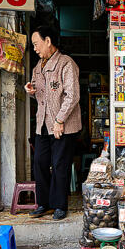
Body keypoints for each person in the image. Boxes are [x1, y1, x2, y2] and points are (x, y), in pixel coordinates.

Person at [24, 25, 82, 220]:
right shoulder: (37, 67)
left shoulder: (66, 64)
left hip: (63, 125)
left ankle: (59, 205)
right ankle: (44, 204)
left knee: (59, 165)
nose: (35, 48)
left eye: (36, 44)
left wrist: (59, 120)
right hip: (43, 124)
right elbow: (42, 95)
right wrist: (31, 91)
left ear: (48, 41)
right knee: (39, 162)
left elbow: (72, 96)